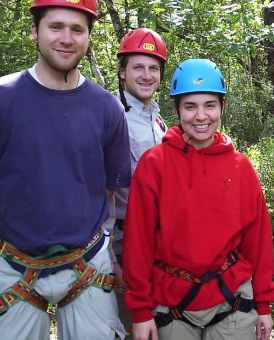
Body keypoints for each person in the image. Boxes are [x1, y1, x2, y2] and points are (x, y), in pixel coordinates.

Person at [0, 0, 130, 339]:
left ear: (88, 37)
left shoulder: (107, 108)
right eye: (56, 27)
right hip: (11, 261)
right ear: (35, 31)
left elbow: (107, 192)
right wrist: (2, 237)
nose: (66, 38)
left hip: (87, 260)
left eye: (77, 29)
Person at [122, 58, 274, 340]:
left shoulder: (240, 167)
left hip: (232, 296)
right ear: (177, 110)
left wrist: (264, 304)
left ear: (222, 108)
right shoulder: (155, 164)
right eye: (190, 106)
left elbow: (257, 239)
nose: (200, 116)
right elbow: (139, 241)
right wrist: (141, 312)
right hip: (172, 299)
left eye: (209, 105)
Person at [111, 28, 168, 331]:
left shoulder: (157, 118)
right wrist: (110, 257)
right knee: (132, 325)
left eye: (153, 68)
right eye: (138, 67)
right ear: (122, 71)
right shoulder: (111, 114)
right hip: (123, 245)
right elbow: (98, 191)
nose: (146, 75)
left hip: (160, 245)